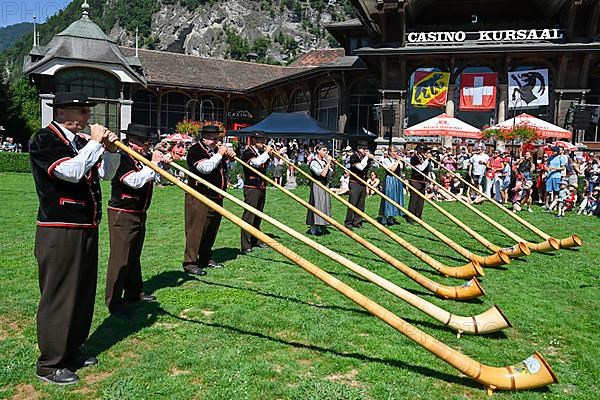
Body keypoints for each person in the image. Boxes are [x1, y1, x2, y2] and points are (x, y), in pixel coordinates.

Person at [29, 92, 120, 385]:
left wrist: (110, 150)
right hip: (59, 228)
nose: (87, 118)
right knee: (59, 295)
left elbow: (106, 174)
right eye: (82, 112)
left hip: (85, 227)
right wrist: (95, 142)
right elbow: (69, 172)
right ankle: (50, 363)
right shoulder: (44, 140)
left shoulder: (80, 143)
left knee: (82, 293)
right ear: (62, 112)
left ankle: (72, 349)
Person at [105, 124, 172, 318]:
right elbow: (133, 181)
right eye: (144, 142)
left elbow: (160, 181)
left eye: (149, 143)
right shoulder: (122, 157)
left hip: (139, 212)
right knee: (120, 258)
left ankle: (134, 292)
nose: (147, 146)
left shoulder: (142, 158)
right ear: (132, 141)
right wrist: (154, 163)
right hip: (123, 212)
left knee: (133, 256)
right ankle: (114, 302)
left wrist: (162, 166)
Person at [184, 125, 236, 273]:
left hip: (216, 195)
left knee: (211, 229)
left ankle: (205, 257)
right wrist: (220, 154)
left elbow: (227, 169)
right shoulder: (195, 150)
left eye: (217, 138)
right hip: (199, 195)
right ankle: (190, 262)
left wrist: (230, 159)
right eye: (212, 138)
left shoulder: (214, 151)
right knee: (196, 229)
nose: (215, 141)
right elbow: (204, 168)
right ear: (203, 137)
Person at [240, 132, 272, 254]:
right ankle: (245, 244)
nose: (262, 142)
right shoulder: (248, 152)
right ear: (253, 140)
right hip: (252, 187)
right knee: (249, 216)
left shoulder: (260, 153)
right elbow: (255, 163)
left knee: (258, 215)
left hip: (261, 187)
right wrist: (266, 153)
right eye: (259, 140)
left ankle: (255, 240)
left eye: (264, 139)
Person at [344, 140, 372, 229]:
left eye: (366, 149)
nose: (365, 151)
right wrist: (367, 158)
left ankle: (358, 222)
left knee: (361, 204)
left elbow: (368, 167)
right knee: (352, 203)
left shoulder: (364, 157)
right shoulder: (354, 156)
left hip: (362, 182)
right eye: (364, 149)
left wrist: (369, 158)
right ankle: (348, 222)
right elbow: (360, 167)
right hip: (354, 183)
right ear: (358, 148)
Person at [306, 143, 333, 236]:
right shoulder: (313, 162)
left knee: (324, 205)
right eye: (323, 150)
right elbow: (322, 174)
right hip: (317, 185)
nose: (325, 152)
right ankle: (313, 227)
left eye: (326, 150)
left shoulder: (324, 162)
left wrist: (329, 164)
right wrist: (328, 163)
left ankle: (319, 226)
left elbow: (330, 174)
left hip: (325, 185)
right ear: (318, 151)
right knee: (316, 205)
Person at [378, 145, 404, 225]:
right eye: (394, 151)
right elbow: (391, 170)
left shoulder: (396, 160)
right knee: (388, 198)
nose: (396, 153)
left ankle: (391, 217)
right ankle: (384, 218)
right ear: (390, 152)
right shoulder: (386, 160)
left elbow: (401, 168)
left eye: (396, 151)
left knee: (395, 198)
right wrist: (397, 161)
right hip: (390, 180)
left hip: (397, 180)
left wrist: (401, 161)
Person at [407, 144, 431, 223]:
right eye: (424, 151)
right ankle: (410, 217)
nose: (425, 152)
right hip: (416, 181)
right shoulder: (414, 158)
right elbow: (420, 168)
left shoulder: (424, 159)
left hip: (423, 182)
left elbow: (427, 170)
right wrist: (427, 160)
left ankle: (418, 216)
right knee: (414, 200)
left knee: (421, 200)